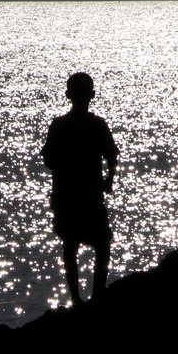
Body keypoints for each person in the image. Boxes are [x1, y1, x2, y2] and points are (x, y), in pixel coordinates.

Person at [42, 72, 119, 304]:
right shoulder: (93, 125)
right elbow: (112, 156)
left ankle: (79, 297)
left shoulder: (63, 125)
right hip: (83, 196)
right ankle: (93, 295)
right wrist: (109, 180)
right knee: (98, 243)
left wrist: (107, 179)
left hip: (72, 196)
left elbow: (49, 159)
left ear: (68, 95)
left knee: (73, 244)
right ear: (92, 95)